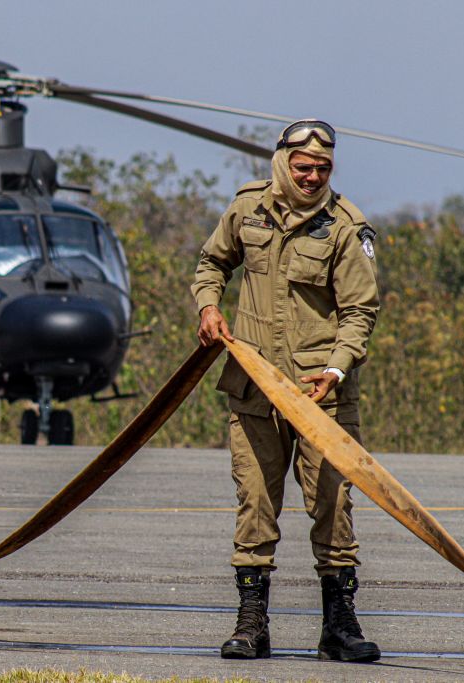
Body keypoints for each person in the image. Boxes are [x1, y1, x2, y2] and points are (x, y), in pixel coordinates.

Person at [190, 120, 381, 662]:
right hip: (254, 391)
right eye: (303, 167)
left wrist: (337, 370)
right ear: (282, 164)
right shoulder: (247, 209)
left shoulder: (346, 226)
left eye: (323, 169)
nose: (312, 176)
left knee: (332, 506)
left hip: (321, 395)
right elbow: (211, 263)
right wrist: (208, 306)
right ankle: (252, 625)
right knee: (254, 504)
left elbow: (360, 311)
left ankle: (339, 627)